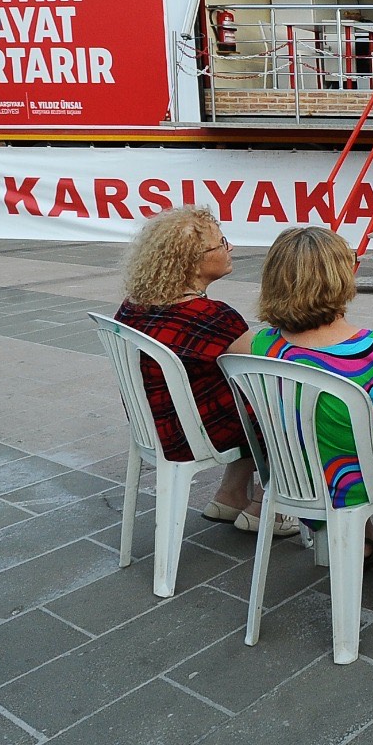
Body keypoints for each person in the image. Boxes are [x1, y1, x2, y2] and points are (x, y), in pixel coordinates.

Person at [229, 227, 373, 577]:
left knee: (325, 435)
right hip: (371, 471)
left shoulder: (254, 346)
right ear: (340, 278)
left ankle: (366, 541)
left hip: (300, 472)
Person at [114, 206, 299, 537]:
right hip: (192, 433)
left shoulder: (133, 305)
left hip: (156, 425)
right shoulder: (210, 316)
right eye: (222, 243)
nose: (231, 249)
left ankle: (228, 496)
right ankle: (268, 506)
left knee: (236, 392)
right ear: (192, 261)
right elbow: (268, 363)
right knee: (284, 401)